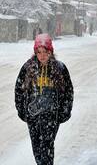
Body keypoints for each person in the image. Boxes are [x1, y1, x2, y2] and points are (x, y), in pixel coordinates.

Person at [15, 33, 74, 165]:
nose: (42, 55)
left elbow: (68, 92)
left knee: (47, 146)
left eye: (45, 52)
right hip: (33, 116)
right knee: (36, 148)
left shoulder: (60, 68)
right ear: (35, 52)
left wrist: (65, 111)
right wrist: (22, 111)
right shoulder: (28, 68)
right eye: (39, 52)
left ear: (50, 52)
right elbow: (19, 90)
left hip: (51, 116)